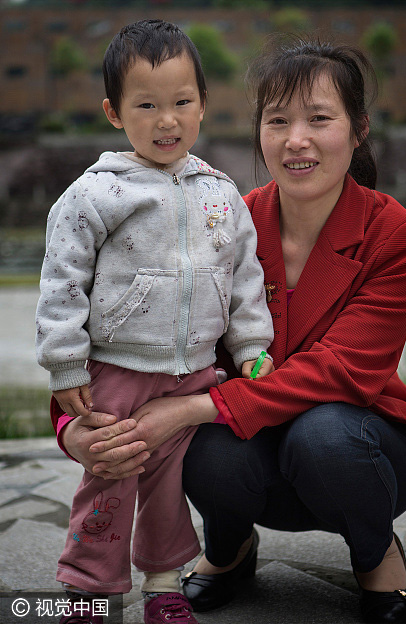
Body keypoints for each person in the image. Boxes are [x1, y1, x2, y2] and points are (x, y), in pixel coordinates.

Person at [57, 36, 406, 624]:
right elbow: (112, 325)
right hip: (254, 451)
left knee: (322, 433)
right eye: (278, 120)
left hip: (364, 451)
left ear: (359, 130)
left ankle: (375, 552)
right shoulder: (221, 213)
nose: (296, 140)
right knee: (208, 449)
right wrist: (70, 428)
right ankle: (229, 548)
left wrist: (188, 410)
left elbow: (346, 369)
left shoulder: (398, 234)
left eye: (319, 119)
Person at [35, 20, 274, 624]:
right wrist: (64, 364)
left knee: (168, 488)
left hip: (192, 371)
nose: (166, 120)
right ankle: (91, 587)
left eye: (181, 103)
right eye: (147, 105)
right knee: (110, 475)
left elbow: (244, 278)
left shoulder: (220, 192)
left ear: (202, 107)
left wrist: (250, 348)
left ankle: (165, 584)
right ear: (115, 113)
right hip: (117, 368)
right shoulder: (94, 195)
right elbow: (61, 281)